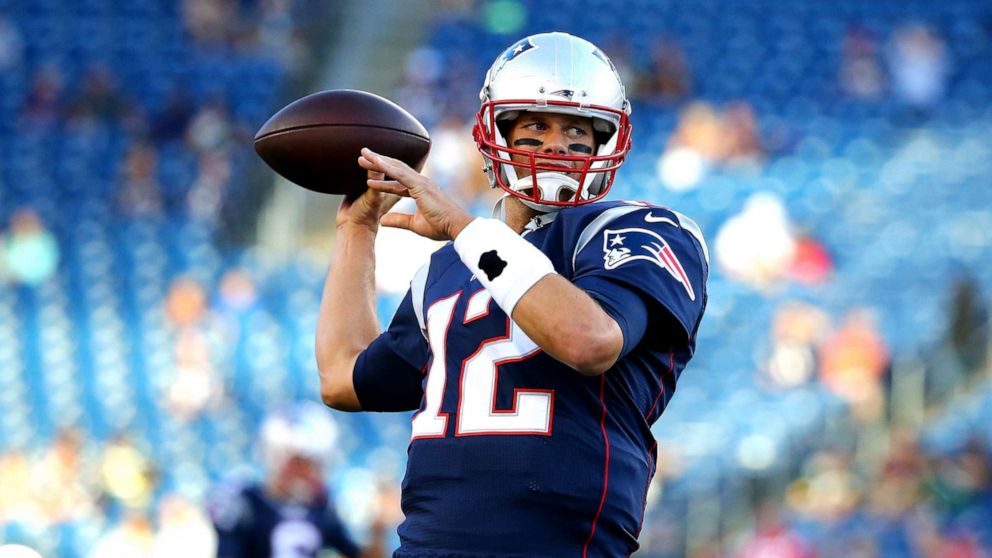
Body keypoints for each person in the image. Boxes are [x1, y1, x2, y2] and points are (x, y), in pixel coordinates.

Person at [316, 32, 709, 556]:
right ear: (494, 132)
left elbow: (588, 340)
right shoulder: (444, 268)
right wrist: (357, 233)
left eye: (577, 129)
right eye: (536, 126)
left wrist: (464, 226)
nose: (557, 145)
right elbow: (344, 378)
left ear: (605, 142)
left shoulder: (639, 230)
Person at [207, 403, 386, 558]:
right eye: (302, 463)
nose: (311, 472)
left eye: (315, 464)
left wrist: (378, 529)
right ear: (278, 459)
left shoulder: (320, 506)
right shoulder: (245, 503)